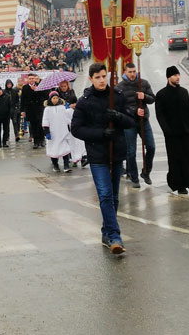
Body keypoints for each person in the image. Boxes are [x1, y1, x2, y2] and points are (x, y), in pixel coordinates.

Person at [71, 63, 135, 254]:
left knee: (114, 197)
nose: (101, 80)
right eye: (97, 77)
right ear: (91, 79)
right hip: (98, 155)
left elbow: (131, 121)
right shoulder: (85, 101)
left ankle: (106, 232)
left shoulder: (117, 96)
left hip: (116, 152)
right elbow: (76, 129)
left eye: (103, 76)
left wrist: (118, 117)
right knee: (105, 195)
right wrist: (100, 133)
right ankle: (115, 236)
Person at [155, 66, 189, 195]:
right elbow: (160, 115)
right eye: (174, 75)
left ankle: (188, 183)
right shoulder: (161, 95)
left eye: (178, 75)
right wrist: (167, 130)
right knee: (175, 160)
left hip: (185, 132)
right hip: (172, 135)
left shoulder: (184, 92)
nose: (177, 77)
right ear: (169, 77)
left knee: (188, 159)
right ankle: (178, 185)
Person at [117, 62, 156, 188]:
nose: (132, 74)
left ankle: (146, 172)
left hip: (143, 121)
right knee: (131, 152)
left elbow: (152, 99)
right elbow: (120, 107)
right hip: (129, 122)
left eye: (134, 72)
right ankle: (134, 177)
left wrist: (144, 96)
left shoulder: (143, 83)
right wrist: (134, 111)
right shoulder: (120, 87)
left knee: (151, 147)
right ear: (125, 72)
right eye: (130, 72)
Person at [42, 91, 72, 172]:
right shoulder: (47, 109)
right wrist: (46, 131)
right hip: (53, 133)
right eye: (53, 98)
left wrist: (68, 127)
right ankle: (55, 165)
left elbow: (66, 118)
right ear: (50, 99)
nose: (55, 100)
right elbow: (45, 120)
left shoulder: (62, 108)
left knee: (65, 148)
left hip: (62, 131)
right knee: (54, 149)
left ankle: (66, 165)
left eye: (56, 98)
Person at [21, 73, 47, 149]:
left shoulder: (40, 86)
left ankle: (41, 140)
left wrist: (37, 90)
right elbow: (23, 99)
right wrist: (22, 110)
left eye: (33, 78)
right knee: (33, 126)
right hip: (30, 109)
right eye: (30, 78)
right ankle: (36, 142)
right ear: (28, 79)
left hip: (39, 108)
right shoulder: (25, 87)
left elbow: (45, 96)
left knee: (40, 125)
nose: (31, 80)